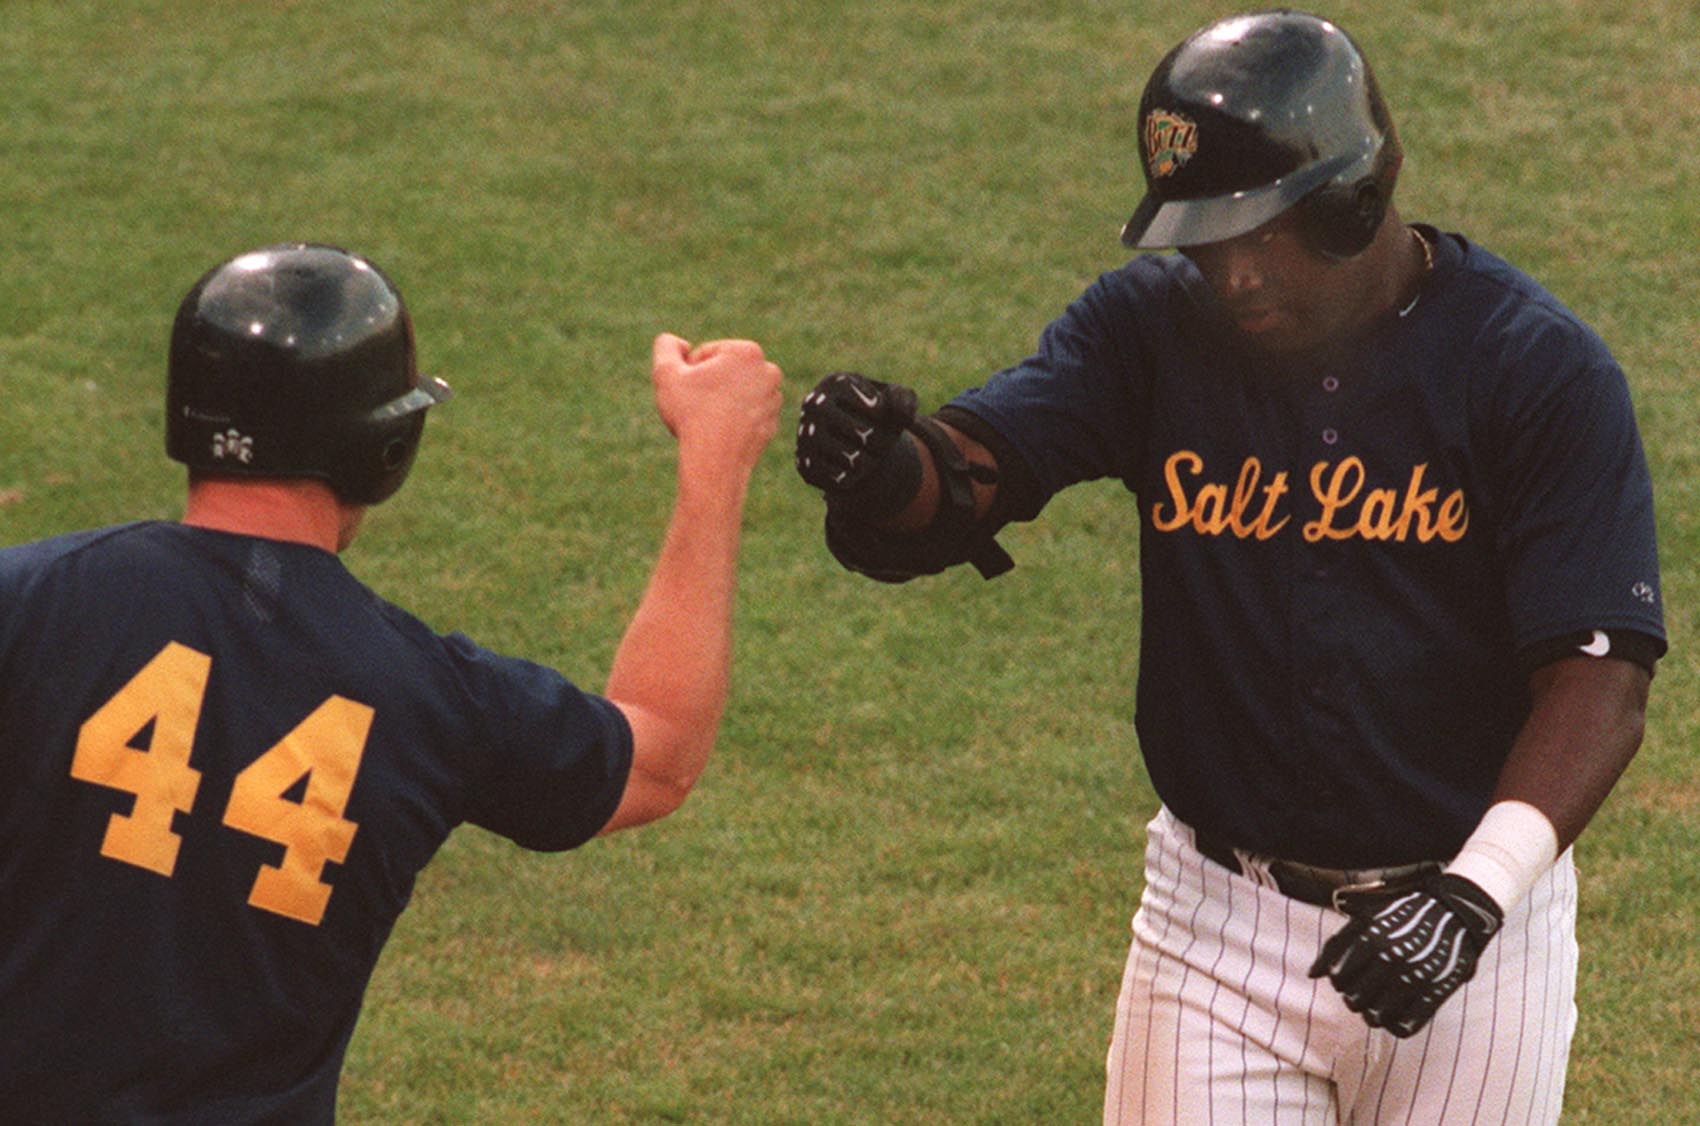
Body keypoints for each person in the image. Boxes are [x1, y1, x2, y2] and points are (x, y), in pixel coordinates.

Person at [793, 10, 1664, 1123]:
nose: (1232, 275)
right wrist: (881, 470)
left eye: (1259, 235)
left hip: (1468, 934)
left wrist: (1470, 894)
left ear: (1350, 199)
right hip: (1216, 935)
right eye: (1205, 241)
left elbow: (1599, 678)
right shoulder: (1148, 332)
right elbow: (972, 474)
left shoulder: (1531, 370)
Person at [0, 242, 782, 1121]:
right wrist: (715, 458)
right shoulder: (427, 699)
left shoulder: (28, 599)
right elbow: (659, 752)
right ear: (386, 443)